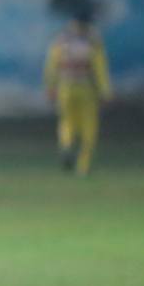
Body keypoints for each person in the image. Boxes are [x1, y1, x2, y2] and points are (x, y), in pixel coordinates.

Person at [44, 10, 112, 175]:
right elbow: (100, 68)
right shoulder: (92, 41)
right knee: (89, 127)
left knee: (67, 122)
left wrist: (50, 86)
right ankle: (83, 166)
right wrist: (106, 92)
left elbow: (51, 65)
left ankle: (66, 146)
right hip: (85, 87)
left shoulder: (61, 40)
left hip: (65, 87)